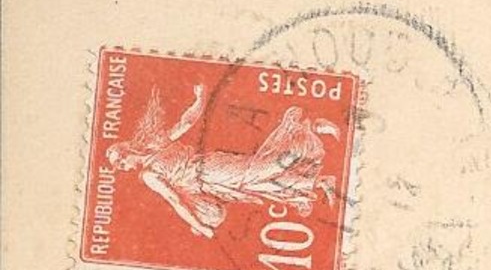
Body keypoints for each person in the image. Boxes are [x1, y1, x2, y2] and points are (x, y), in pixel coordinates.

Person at [106, 84, 341, 239]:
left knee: (259, 170)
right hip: (209, 181)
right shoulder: (153, 152)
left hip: (209, 170)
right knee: (257, 184)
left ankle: (307, 129)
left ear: (127, 153)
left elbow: (175, 200)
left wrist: (201, 228)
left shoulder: (151, 167)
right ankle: (319, 182)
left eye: (120, 163)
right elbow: (178, 197)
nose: (123, 168)